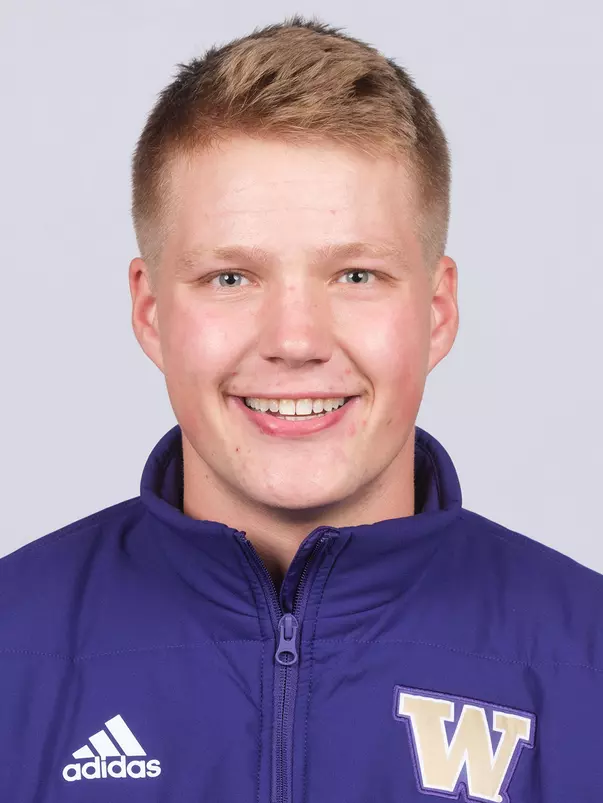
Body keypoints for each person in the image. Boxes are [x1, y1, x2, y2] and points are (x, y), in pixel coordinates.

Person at [1, 14, 602, 802]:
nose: (294, 341)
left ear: (436, 311)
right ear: (150, 313)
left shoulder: (585, 661)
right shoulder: (13, 646)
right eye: (230, 278)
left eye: (355, 276)